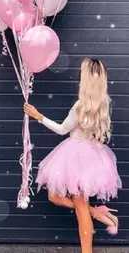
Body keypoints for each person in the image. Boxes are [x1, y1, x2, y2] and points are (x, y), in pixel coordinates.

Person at [24, 58, 122, 253]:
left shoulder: (80, 106)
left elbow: (62, 130)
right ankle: (99, 213)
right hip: (91, 155)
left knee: (81, 208)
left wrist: (38, 116)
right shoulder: (104, 102)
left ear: (85, 80)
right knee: (55, 196)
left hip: (77, 157)